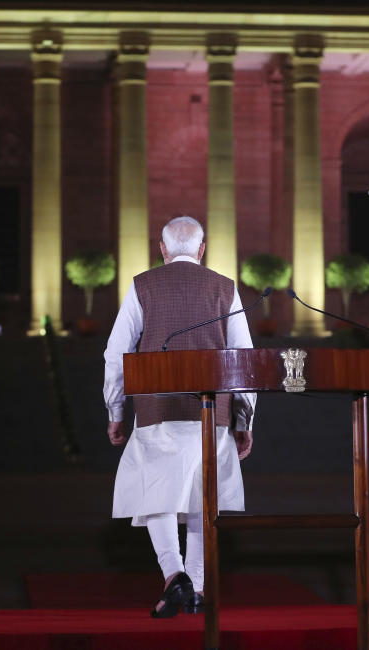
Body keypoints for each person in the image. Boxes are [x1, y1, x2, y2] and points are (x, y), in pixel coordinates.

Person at [103, 215, 256, 618]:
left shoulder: (143, 285)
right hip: (213, 413)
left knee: (159, 493)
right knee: (203, 500)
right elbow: (244, 358)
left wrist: (115, 409)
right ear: (202, 249)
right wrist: (244, 420)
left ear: (163, 248)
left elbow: (117, 353)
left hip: (156, 408)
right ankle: (198, 589)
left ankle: (175, 577)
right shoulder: (225, 288)